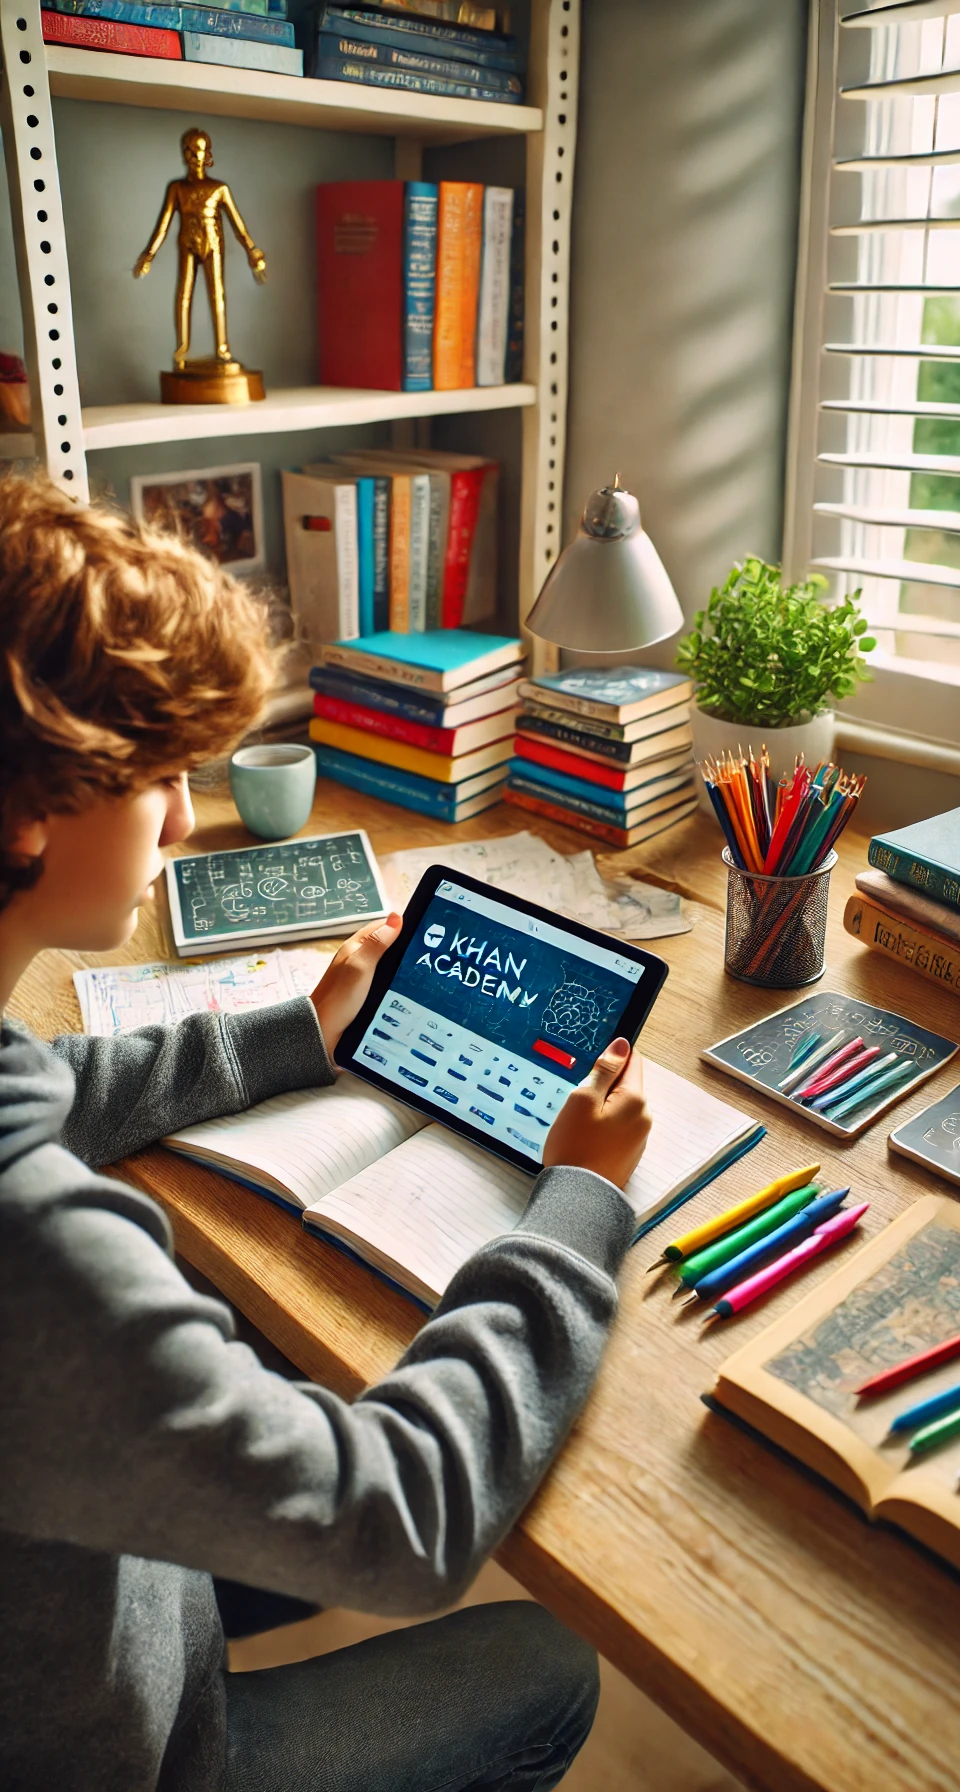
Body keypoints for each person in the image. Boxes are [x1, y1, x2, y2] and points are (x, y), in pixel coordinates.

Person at [0, 474, 653, 1792]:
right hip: (128, 1755)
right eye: (160, 776)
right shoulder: (39, 1258)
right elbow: (400, 1521)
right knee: (546, 1663)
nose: (184, 820)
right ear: (30, 812)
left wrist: (300, 1031)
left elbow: (45, 1085)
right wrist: (578, 1213)